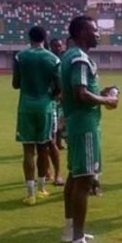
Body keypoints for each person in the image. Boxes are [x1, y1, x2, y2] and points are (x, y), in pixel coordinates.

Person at [60, 15, 118, 243]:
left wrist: (101, 92)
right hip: (84, 124)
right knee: (84, 181)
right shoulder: (80, 58)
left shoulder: (68, 56)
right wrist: (108, 100)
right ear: (82, 32)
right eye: (94, 30)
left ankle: (70, 229)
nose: (98, 34)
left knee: (74, 176)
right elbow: (81, 94)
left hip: (76, 122)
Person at [14, 26, 61, 205]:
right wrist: (49, 94)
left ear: (29, 37)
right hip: (45, 106)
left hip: (26, 105)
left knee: (28, 150)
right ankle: (42, 188)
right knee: (43, 148)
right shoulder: (53, 58)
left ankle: (30, 193)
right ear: (45, 38)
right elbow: (59, 86)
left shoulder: (20, 57)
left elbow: (15, 84)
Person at [48, 38, 66, 183]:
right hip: (52, 100)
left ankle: (60, 142)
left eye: (60, 46)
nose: (58, 48)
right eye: (55, 46)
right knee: (51, 134)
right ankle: (48, 171)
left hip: (63, 97)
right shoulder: (49, 60)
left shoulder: (65, 59)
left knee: (61, 124)